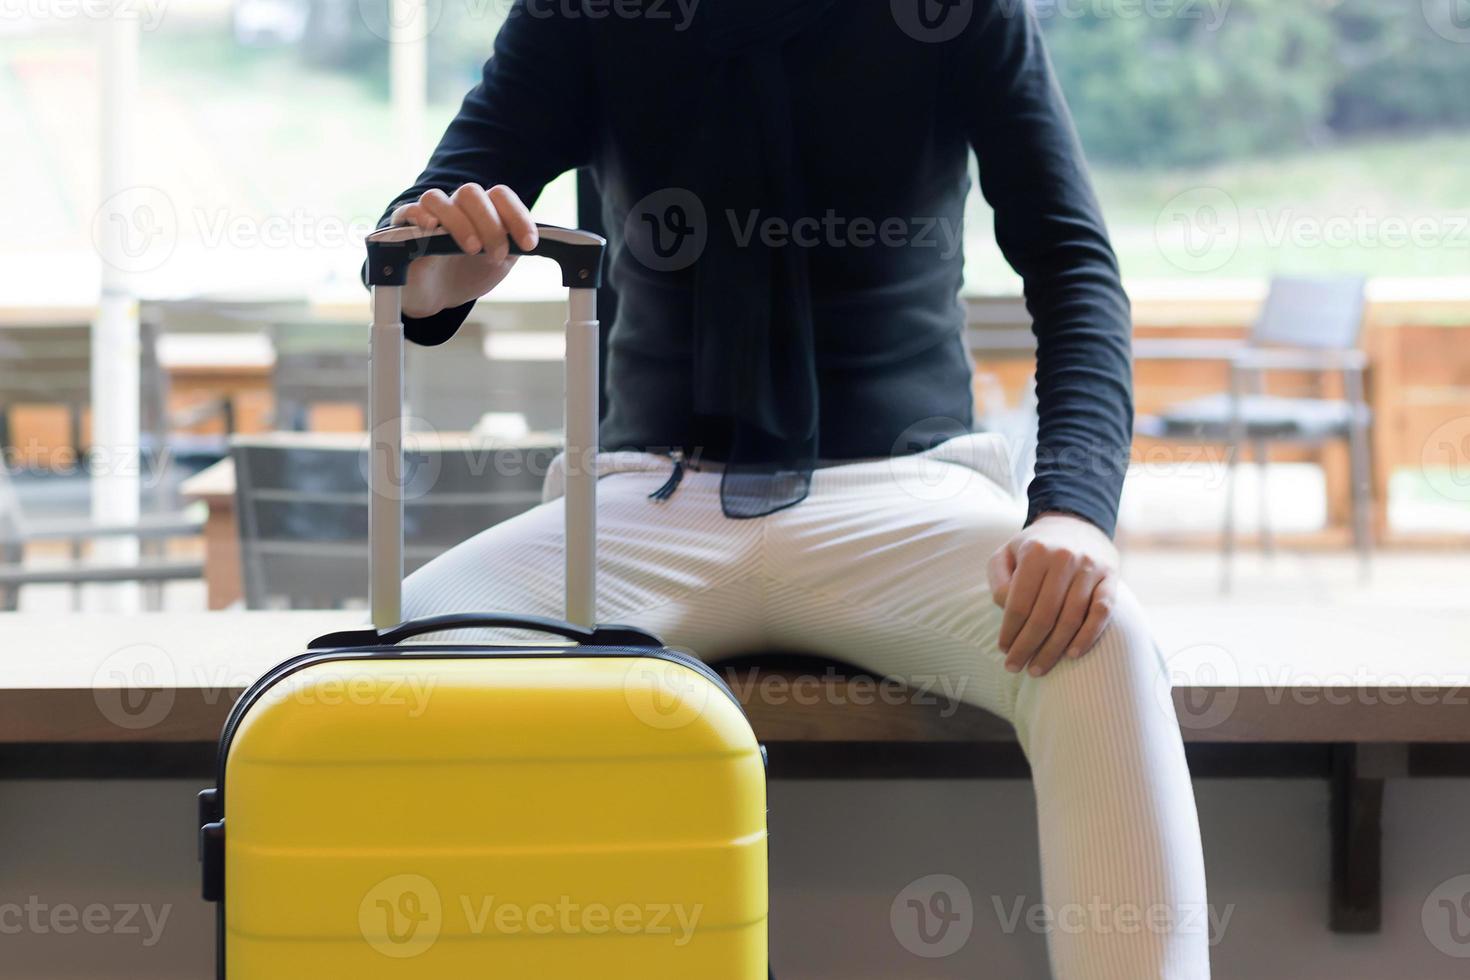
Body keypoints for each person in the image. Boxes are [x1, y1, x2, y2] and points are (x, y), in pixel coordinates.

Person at [377, 2, 1210, 976]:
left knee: (1097, 636)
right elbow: (412, 266)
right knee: (415, 651)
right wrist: (445, 265)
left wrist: (1073, 509)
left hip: (903, 491)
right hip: (652, 497)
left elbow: (1074, 269)